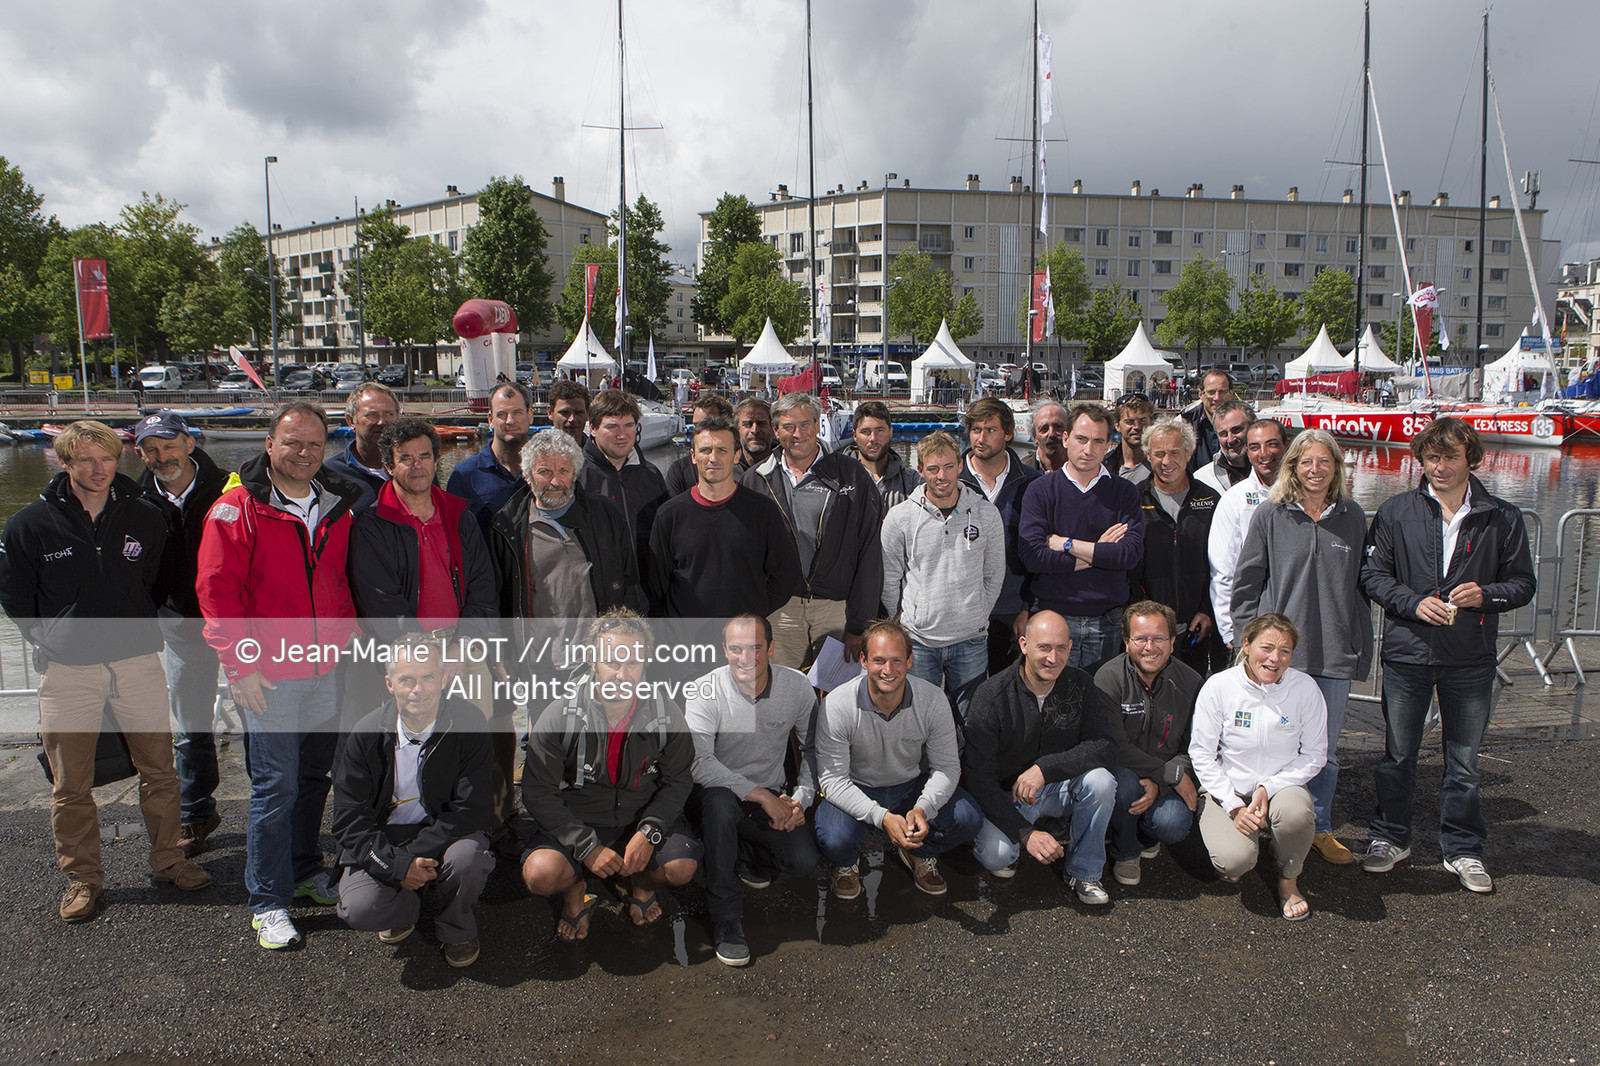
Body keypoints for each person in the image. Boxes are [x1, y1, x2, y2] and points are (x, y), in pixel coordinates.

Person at [0, 420, 211, 923]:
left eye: (108, 459)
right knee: (70, 783)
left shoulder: (145, 516)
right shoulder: (30, 524)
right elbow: (15, 595)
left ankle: (168, 860)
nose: (99, 470)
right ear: (65, 462)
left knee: (159, 771)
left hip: (135, 663)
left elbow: (157, 582)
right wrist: (51, 638)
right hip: (67, 671)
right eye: (87, 460)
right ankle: (83, 878)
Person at [197, 400, 362, 949]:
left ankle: (304, 868)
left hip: (326, 670)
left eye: (314, 443)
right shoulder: (236, 510)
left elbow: (336, 582)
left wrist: (346, 638)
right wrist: (239, 666)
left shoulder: (335, 505)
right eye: (292, 442)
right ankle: (267, 900)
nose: (304, 453)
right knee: (275, 786)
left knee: (314, 778)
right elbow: (217, 594)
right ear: (269, 445)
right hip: (269, 675)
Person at [1359, 418, 1536, 892]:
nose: (1439, 466)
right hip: (1407, 652)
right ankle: (1390, 837)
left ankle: (1462, 848)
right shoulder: (1395, 510)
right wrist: (1413, 602)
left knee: (1464, 763)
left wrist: (1488, 594)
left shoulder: (1502, 516)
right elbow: (1373, 575)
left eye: (1450, 457)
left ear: (1471, 458)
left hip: (1470, 656)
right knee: (1398, 756)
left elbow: (1523, 584)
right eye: (1432, 457)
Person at [348, 417, 508, 846]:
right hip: (409, 655)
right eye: (405, 458)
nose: (416, 465)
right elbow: (381, 604)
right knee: (414, 747)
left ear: (437, 460)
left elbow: (483, 587)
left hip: (463, 648)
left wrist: (464, 646)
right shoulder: (372, 523)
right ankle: (410, 837)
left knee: (473, 745)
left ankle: (476, 835)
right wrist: (429, 659)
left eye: (424, 456)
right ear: (388, 465)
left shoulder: (459, 514)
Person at [1232, 427, 1372, 867]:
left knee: (1323, 753)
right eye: (1306, 461)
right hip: (1279, 657)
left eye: (1324, 461)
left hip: (1333, 654)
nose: (1315, 469)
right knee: (1271, 745)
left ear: (1336, 468)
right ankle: (1266, 823)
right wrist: (1247, 643)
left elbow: (1360, 590)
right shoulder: (1271, 515)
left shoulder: (1352, 516)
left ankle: (1319, 827)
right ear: (1292, 466)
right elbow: (1247, 583)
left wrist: (1360, 647)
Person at [520, 611, 701, 940]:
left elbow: (678, 781)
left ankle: (640, 883)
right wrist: (586, 846)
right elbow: (537, 792)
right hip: (579, 821)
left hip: (638, 819)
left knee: (682, 867)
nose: (622, 674)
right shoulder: (560, 715)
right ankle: (575, 890)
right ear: (592, 661)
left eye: (633, 662)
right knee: (540, 874)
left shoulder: (666, 714)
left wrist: (650, 831)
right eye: (612, 661)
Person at [330, 638, 494, 968]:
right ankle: (407, 903)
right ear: (389, 684)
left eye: (428, 677)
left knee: (467, 859)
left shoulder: (470, 721)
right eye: (407, 679)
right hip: (386, 836)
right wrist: (395, 866)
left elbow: (472, 807)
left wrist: (408, 858)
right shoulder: (363, 733)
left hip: (447, 830)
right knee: (360, 908)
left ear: (444, 678)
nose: (418, 689)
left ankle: (457, 927)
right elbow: (348, 820)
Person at [685, 614, 820, 967]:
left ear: (771, 648)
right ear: (724, 650)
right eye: (736, 649)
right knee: (719, 808)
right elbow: (700, 764)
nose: (745, 659)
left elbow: (812, 749)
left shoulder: (796, 686)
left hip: (771, 793)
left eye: (755, 648)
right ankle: (727, 920)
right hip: (716, 793)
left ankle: (744, 852)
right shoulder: (704, 690)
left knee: (803, 861)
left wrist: (800, 800)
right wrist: (761, 795)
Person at [814, 620, 983, 899]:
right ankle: (846, 863)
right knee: (833, 838)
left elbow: (947, 767)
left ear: (910, 660)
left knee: (969, 819)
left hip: (911, 786)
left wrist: (924, 807)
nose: (888, 670)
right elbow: (832, 780)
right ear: (864, 660)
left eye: (896, 660)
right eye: (879, 660)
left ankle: (919, 851)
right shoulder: (837, 705)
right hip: (858, 786)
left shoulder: (932, 700)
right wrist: (882, 817)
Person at [961, 611, 1119, 905]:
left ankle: (1084, 872)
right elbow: (978, 777)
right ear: (1024, 645)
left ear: (1070, 647)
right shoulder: (991, 696)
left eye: (1061, 648)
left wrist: (1045, 769)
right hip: (1007, 796)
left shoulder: (1081, 684)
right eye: (1044, 647)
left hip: (1056, 786)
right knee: (996, 856)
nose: (1053, 658)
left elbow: (1104, 744)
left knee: (1102, 782)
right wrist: (1025, 833)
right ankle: (1015, 842)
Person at [133, 411, 231, 857]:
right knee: (191, 728)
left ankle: (274, 810)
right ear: (140, 455)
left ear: (190, 444)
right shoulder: (133, 499)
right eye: (151, 449)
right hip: (180, 627)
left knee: (262, 722)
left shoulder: (229, 488)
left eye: (169, 445)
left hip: (237, 624)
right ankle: (196, 812)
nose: (162, 456)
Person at [1189, 613, 1326, 922]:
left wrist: (1268, 787)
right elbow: (1202, 753)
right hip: (1229, 789)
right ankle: (1239, 845)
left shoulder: (1305, 689)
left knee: (1296, 814)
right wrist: (1234, 805)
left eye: (1285, 651)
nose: (1275, 658)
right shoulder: (1219, 686)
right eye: (1267, 647)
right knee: (1234, 861)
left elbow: (1315, 754)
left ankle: (1289, 877)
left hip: (1281, 787)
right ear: (1247, 645)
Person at [742, 392, 883, 669]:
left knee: (836, 692)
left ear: (818, 425)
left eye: (805, 424)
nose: (798, 434)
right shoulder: (755, 480)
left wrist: (860, 624)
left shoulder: (852, 476)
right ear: (775, 431)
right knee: (782, 689)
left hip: (837, 610)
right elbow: (745, 560)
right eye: (788, 426)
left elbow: (869, 554)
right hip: (780, 611)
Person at [880, 430, 1004, 723]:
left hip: (971, 640)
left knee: (973, 721)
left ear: (960, 465)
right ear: (920, 470)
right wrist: (906, 620)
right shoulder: (899, 518)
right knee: (919, 720)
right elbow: (890, 579)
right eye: (933, 468)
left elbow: (994, 575)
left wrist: (975, 615)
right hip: (919, 642)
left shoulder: (986, 514)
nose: (942, 476)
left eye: (949, 466)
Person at [1018, 403, 1144, 670]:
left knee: (1102, 694)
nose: (1088, 449)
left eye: (1098, 441)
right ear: (1066, 439)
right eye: (1081, 439)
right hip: (1054, 619)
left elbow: (1129, 555)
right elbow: (1033, 557)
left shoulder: (1125, 492)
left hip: (1108, 620)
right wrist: (1101, 552)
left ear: (1108, 445)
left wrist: (1067, 544)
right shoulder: (1040, 490)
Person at [647, 415, 800, 622]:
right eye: (705, 450)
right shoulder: (669, 516)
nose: (713, 458)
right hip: (687, 636)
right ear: (693, 456)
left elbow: (785, 576)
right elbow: (655, 586)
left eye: (722, 450)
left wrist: (755, 613)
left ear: (737, 455)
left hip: (744, 636)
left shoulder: (763, 511)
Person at [1094, 601, 1202, 887]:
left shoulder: (1192, 682)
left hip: (1168, 771)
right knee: (1125, 786)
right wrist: (1168, 774)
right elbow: (1114, 746)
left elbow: (1195, 747)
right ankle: (1125, 852)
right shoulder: (1108, 678)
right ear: (1126, 641)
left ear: (1173, 642)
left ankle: (1146, 835)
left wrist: (1163, 781)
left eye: (1159, 638)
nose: (1150, 647)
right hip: (1125, 771)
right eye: (1141, 638)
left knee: (1173, 823)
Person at [488, 428, 643, 624]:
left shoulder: (606, 515)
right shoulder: (507, 528)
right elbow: (497, 599)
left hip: (599, 641)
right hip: (538, 644)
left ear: (575, 474)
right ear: (527, 476)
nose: (555, 481)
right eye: (544, 471)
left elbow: (630, 584)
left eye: (563, 471)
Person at [1132, 418, 1224, 676]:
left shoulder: (1211, 500)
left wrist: (1207, 610)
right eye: (1159, 453)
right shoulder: (1133, 499)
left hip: (1196, 627)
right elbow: (1128, 569)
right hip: (1148, 629)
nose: (1167, 461)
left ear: (1189, 452)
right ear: (1148, 455)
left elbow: (1222, 565)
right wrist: (1140, 614)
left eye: (1174, 452)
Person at [958, 397, 1042, 673]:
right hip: (960, 612)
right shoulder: (949, 482)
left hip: (1013, 610)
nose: (981, 438)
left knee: (1009, 691)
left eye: (990, 430)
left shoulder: (1033, 484)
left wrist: (1029, 607)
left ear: (1008, 433)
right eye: (976, 430)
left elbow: (1040, 553)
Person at [1207, 417, 1286, 648]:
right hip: (1253, 626)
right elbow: (1223, 570)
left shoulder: (1305, 498)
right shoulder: (1234, 500)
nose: (1264, 454)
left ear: (1286, 445)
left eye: (1272, 444)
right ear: (1248, 453)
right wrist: (1230, 632)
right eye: (1255, 447)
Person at [578, 388, 668, 574]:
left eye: (628, 425)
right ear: (593, 429)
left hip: (644, 587)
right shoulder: (576, 478)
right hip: (596, 587)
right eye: (612, 427)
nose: (622, 435)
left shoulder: (651, 476)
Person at [447, 382, 533, 535]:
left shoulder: (547, 470)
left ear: (530, 415)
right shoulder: (465, 476)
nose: (510, 421)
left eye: (517, 412)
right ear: (490, 419)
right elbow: (454, 535)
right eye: (501, 414)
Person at [322, 382, 401, 514]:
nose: (382, 422)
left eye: (389, 414)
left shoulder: (418, 466)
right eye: (372, 414)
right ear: (351, 421)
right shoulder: (329, 473)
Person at [841, 400, 922, 511]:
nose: (873, 438)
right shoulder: (837, 480)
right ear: (855, 435)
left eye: (880, 430)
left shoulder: (913, 482)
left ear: (890, 432)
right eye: (865, 432)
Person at [664, 392, 736, 496]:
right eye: (696, 425)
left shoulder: (744, 471)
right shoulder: (679, 471)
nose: (699, 431)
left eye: (707, 424)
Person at [1193, 400, 1254, 494]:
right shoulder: (1201, 479)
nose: (1230, 440)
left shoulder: (1273, 471)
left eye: (1236, 430)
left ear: (1253, 427)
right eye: (1223, 434)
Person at [1182, 368, 1233, 470]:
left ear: (1231, 394)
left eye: (1222, 392)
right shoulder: (1185, 422)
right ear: (1201, 394)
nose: (1217, 397)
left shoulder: (1245, 423)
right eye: (1211, 392)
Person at [1109, 396, 1153, 486]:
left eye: (1142, 421)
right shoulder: (1104, 466)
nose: (1137, 427)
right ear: (1117, 425)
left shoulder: (1161, 465)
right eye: (1129, 421)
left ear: (1151, 423)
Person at [1021, 400, 1069, 472]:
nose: (1051, 434)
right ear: (1034, 436)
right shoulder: (1021, 471)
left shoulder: (1084, 466)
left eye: (1058, 427)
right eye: (1044, 429)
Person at [733, 396, 777, 470]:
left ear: (773, 429)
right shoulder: (726, 469)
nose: (755, 430)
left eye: (761, 423)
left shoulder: (787, 467)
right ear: (737, 430)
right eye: (748, 424)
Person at [546, 379, 591, 446]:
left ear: (587, 414)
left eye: (578, 413)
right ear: (550, 412)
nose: (572, 419)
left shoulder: (598, 451)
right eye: (565, 412)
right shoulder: (537, 451)